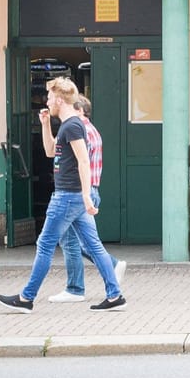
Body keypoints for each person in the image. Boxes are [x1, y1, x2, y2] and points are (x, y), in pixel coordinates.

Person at [0, 76, 124, 312]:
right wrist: (45, 124)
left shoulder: (73, 125)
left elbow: (84, 161)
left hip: (67, 196)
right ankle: (115, 295)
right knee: (94, 246)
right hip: (73, 196)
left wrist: (86, 195)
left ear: (58, 99)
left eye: (49, 97)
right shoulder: (67, 126)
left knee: (45, 244)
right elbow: (49, 151)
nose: (46, 102)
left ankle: (26, 298)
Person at [54, 92, 125, 302]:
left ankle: (77, 288)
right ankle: (82, 285)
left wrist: (81, 192)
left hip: (79, 192)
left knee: (73, 241)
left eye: (71, 107)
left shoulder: (78, 129)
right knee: (77, 240)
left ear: (80, 110)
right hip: (90, 190)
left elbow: (79, 162)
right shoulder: (91, 129)